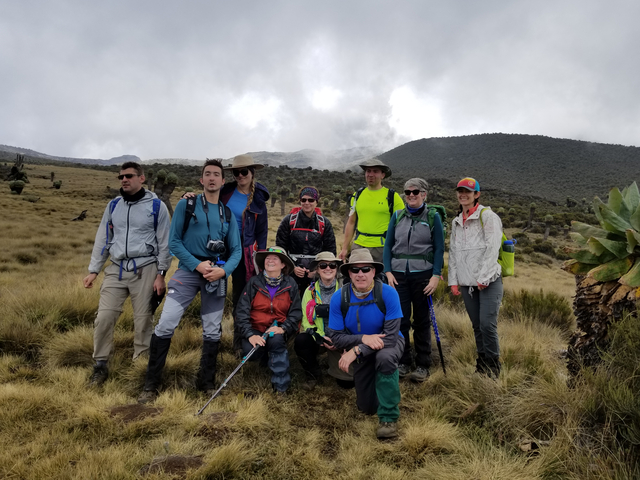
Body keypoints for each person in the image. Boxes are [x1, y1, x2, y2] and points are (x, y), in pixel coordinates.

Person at [137, 159, 241, 404]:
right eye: (208, 174)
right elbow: (174, 243)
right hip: (186, 272)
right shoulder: (187, 205)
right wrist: (197, 264)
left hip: (215, 275)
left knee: (212, 329)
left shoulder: (227, 214)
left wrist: (223, 272)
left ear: (223, 181)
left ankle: (206, 383)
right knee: (166, 324)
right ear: (201, 180)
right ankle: (151, 385)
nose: (212, 178)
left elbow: (236, 251)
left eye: (217, 174)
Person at [84, 161, 171, 386]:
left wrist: (161, 274)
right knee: (104, 317)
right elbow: (103, 239)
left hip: (146, 268)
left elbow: (164, 243)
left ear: (141, 178)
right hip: (116, 268)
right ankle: (100, 364)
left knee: (143, 320)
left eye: (129, 176)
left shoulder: (156, 206)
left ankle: (141, 366)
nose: (124, 179)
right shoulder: (114, 206)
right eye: (121, 176)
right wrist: (94, 270)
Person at [327, 249, 404, 439]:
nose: (360, 274)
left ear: (373, 272)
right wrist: (363, 340)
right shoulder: (339, 298)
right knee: (367, 407)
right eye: (355, 270)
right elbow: (335, 337)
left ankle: (388, 418)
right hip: (362, 347)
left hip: (389, 343)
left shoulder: (388, 294)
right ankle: (382, 385)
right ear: (349, 273)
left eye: (366, 269)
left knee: (385, 358)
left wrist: (357, 350)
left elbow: (392, 337)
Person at [383, 178, 445, 382]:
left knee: (421, 321)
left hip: (423, 276)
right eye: (407, 192)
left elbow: (439, 249)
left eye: (415, 192)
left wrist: (436, 276)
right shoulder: (397, 216)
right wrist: (388, 271)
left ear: (424, 194)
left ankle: (423, 364)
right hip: (398, 276)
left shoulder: (433, 216)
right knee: (400, 320)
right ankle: (403, 360)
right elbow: (388, 245)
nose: (411, 195)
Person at [448, 177, 504, 378]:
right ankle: (482, 366)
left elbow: (492, 248)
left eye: (468, 192)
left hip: (489, 282)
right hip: (466, 283)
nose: (463, 195)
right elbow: (454, 252)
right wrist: (453, 281)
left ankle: (494, 367)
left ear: (477, 195)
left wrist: (484, 278)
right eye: (460, 191)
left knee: (487, 324)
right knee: (477, 326)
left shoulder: (488, 216)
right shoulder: (456, 222)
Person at [235, 246, 302, 394]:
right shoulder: (253, 283)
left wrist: (283, 328)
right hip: (255, 329)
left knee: (276, 342)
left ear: (283, 264)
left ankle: (281, 387)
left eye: (275, 258)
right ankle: (263, 357)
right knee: (250, 351)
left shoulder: (291, 284)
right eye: (267, 258)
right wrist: (250, 335)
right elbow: (241, 311)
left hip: (277, 329)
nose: (270, 260)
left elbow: (296, 313)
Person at [294, 251, 354, 390]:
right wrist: (321, 339)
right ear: (317, 270)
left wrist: (342, 340)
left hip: (343, 338)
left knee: (346, 384)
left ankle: (341, 363)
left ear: (337, 268)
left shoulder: (347, 290)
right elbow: (306, 322)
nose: (328, 268)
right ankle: (313, 375)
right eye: (323, 265)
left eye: (332, 265)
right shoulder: (310, 291)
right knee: (301, 341)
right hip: (321, 337)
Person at [220, 154, 270, 314]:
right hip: (222, 244)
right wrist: (189, 197)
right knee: (217, 284)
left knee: (240, 286)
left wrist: (261, 256)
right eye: (236, 173)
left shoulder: (258, 199)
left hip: (243, 247)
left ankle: (239, 325)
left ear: (252, 173)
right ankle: (213, 326)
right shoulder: (225, 192)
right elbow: (207, 200)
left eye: (244, 172)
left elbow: (262, 231)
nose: (240, 176)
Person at [339, 158, 404, 264]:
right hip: (359, 246)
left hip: (382, 248)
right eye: (368, 171)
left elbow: (402, 226)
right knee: (357, 278)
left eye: (375, 171)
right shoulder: (357, 195)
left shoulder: (393, 197)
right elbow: (351, 222)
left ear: (383, 175)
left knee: (381, 279)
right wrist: (345, 248)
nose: (371, 174)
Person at [276, 186, 336, 296]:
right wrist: (292, 267)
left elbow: (330, 251)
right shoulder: (289, 221)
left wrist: (317, 270)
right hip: (292, 272)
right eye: (303, 200)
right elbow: (281, 248)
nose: (306, 203)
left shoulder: (324, 223)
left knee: (313, 301)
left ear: (316, 202)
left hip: (315, 273)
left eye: (311, 200)